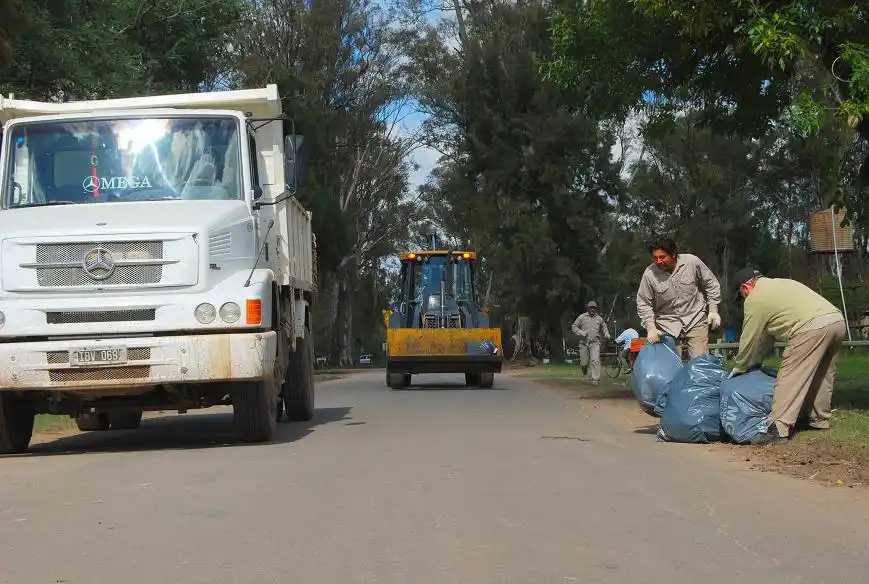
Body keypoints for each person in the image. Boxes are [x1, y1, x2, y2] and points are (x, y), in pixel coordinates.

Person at [730, 267, 846, 446]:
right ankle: (819, 420)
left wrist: (740, 367)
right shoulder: (780, 284)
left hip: (809, 328)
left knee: (789, 377)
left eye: (742, 297)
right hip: (836, 321)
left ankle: (778, 428)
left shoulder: (755, 298)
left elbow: (749, 338)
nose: (743, 300)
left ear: (745, 288)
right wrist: (756, 362)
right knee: (822, 375)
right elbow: (765, 338)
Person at [636, 235, 722, 360]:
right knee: (669, 369)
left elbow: (711, 284)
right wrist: (651, 328)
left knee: (700, 365)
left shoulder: (692, 262)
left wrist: (713, 310)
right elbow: (643, 302)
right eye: (655, 258)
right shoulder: (649, 274)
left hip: (695, 319)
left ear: (674, 254)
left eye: (662, 257)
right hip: (667, 325)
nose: (658, 261)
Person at [571, 300, 611, 385]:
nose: (592, 309)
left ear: (596, 309)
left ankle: (595, 379)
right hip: (583, 343)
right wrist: (581, 333)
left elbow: (604, 327)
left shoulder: (599, 318)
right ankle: (584, 367)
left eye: (594, 308)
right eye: (591, 308)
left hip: (595, 343)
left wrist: (606, 333)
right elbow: (574, 327)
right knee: (584, 362)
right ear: (588, 309)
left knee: (595, 360)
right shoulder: (582, 317)